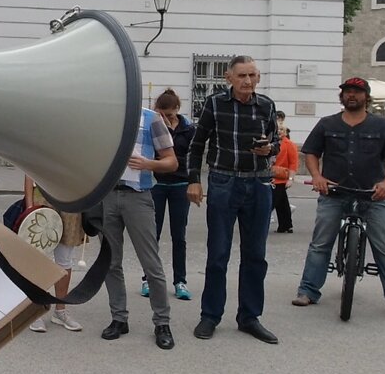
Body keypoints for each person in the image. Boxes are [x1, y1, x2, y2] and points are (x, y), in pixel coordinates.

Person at [292, 78, 385, 320]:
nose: (351, 95)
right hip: (334, 192)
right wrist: (317, 176)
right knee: (320, 244)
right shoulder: (327, 123)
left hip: (372, 195)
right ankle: (308, 291)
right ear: (342, 96)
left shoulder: (382, 125)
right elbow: (310, 152)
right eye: (347, 92)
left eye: (357, 92)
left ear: (366, 96)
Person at [188, 55, 281, 345]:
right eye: (242, 75)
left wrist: (269, 150)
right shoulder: (214, 104)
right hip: (223, 181)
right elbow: (197, 144)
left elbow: (276, 141)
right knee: (218, 253)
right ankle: (211, 314)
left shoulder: (265, 105)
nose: (248, 81)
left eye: (253, 75)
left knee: (255, 254)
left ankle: (249, 317)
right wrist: (194, 180)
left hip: (258, 183)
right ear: (229, 77)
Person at [94, 108, 177, 350]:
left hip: (138, 197)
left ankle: (162, 323)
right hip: (107, 196)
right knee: (110, 262)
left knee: (151, 264)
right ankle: (119, 318)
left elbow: (171, 161)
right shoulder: (104, 118)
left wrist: (148, 163)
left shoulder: (151, 119)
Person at [148, 88, 195, 300]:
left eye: (169, 114)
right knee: (152, 234)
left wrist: (194, 182)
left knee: (179, 236)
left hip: (180, 184)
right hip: (157, 183)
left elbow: (193, 157)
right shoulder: (152, 125)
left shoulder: (188, 129)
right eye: (161, 114)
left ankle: (180, 281)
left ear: (177, 109)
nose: (165, 118)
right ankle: (147, 279)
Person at [22, 176, 84, 333]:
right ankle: (36, 310)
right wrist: (29, 205)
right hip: (42, 198)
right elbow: (29, 170)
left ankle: (60, 310)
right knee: (38, 258)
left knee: (65, 260)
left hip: (70, 200)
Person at [271, 125, 299, 234]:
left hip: (281, 178)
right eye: (278, 129)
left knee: (272, 202)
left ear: (286, 132)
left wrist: (291, 179)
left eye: (282, 130)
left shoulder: (289, 145)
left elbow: (293, 163)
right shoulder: (272, 143)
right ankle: (286, 226)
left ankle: (284, 225)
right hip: (271, 176)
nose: (279, 131)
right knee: (282, 203)